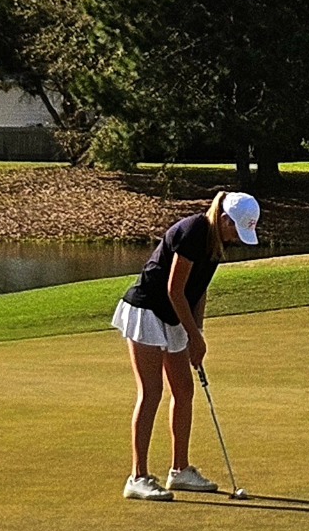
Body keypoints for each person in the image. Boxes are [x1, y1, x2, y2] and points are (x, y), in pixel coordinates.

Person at [111, 190, 260, 501]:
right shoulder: (194, 231)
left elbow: (197, 291)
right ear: (224, 220)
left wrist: (198, 332)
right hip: (147, 310)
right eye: (236, 230)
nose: (236, 239)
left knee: (184, 390)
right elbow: (174, 290)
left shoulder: (216, 244)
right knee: (151, 393)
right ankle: (137, 477)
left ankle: (180, 471)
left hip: (174, 316)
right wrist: (194, 336)